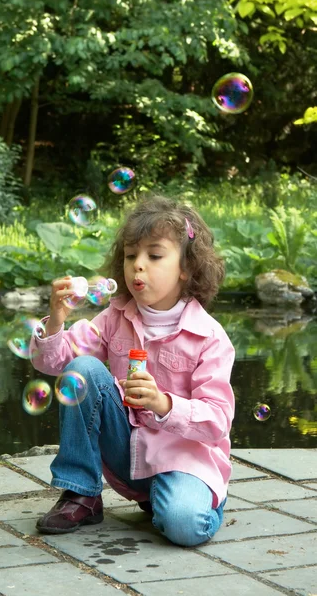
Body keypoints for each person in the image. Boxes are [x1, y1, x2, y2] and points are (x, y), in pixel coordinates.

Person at [29, 194, 235, 547]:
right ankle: (82, 494)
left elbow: (217, 419)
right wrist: (56, 321)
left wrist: (164, 404)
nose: (138, 265)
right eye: (130, 255)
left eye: (154, 256)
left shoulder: (210, 337)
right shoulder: (116, 316)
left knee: (185, 527)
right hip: (129, 451)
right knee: (84, 370)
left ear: (186, 268)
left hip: (183, 458)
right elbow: (55, 363)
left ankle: (202, 496)